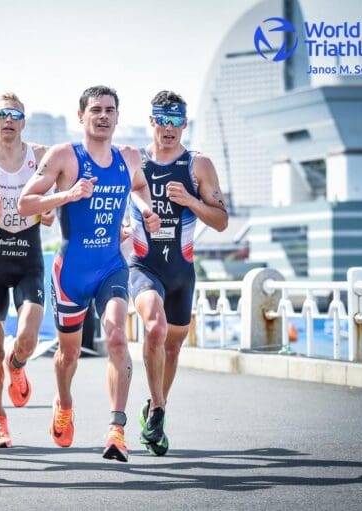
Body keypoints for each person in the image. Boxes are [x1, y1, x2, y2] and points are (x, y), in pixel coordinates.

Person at [18, 86, 159, 462]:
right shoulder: (64, 156)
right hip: (71, 273)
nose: (103, 116)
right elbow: (25, 202)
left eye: (110, 110)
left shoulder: (128, 157)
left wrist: (143, 211)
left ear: (117, 116)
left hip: (111, 265)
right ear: (81, 116)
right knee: (68, 355)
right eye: (95, 110)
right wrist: (68, 195)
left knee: (116, 337)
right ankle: (63, 402)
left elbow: (140, 187)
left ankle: (116, 428)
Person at [128, 90, 228, 456]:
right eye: (162, 120)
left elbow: (221, 221)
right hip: (144, 265)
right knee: (153, 327)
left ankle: (157, 408)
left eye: (175, 121)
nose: (168, 128)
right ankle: (156, 411)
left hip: (182, 271)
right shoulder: (133, 160)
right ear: (151, 121)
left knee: (172, 348)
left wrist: (190, 201)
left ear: (185, 123)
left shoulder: (197, 166)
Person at [0, 92, 54, 448]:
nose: (8, 120)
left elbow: (61, 186)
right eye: (1, 114)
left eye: (15, 115)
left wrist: (52, 207)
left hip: (28, 254)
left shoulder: (40, 155)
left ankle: (19, 365)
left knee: (27, 336)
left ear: (23, 122)